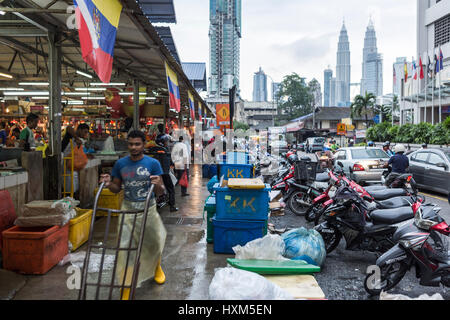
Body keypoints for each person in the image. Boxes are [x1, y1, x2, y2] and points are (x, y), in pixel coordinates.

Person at [99, 130, 167, 290]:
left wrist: (158, 184)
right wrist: (109, 184)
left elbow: (160, 191)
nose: (134, 147)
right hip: (128, 210)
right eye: (130, 144)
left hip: (148, 209)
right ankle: (127, 283)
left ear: (143, 145)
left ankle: (157, 268)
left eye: (137, 144)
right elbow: (117, 188)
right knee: (125, 248)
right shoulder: (120, 164)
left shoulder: (153, 164)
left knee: (154, 242)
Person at [157, 134, 178, 212]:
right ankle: (172, 206)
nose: (168, 143)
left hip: (158, 173)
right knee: (171, 189)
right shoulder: (164, 151)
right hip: (164, 173)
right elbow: (170, 162)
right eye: (166, 141)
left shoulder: (158, 149)